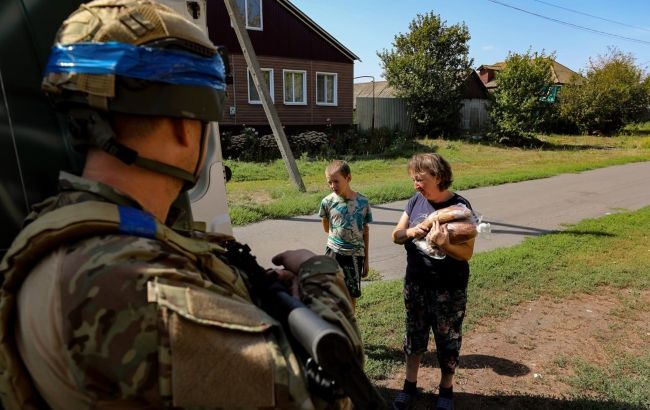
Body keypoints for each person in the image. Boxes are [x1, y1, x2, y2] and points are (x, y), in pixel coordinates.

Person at [0, 1, 367, 409]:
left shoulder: (74, 228)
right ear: (183, 125)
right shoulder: (128, 286)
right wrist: (321, 276)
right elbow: (328, 397)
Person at [390, 153, 475, 410]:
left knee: (447, 340)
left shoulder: (460, 207)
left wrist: (445, 244)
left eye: (420, 179)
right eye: (414, 179)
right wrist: (411, 232)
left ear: (437, 176)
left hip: (448, 288)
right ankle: (409, 386)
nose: (416, 184)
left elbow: (467, 253)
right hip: (416, 283)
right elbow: (396, 235)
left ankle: (446, 390)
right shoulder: (416, 201)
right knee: (414, 338)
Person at [319, 160, 373, 310]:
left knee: (351, 294)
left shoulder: (362, 202)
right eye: (329, 182)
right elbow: (326, 227)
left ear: (348, 178)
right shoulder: (327, 202)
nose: (332, 186)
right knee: (331, 291)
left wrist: (366, 260)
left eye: (336, 181)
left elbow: (365, 231)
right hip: (333, 253)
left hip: (355, 256)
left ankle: (350, 321)